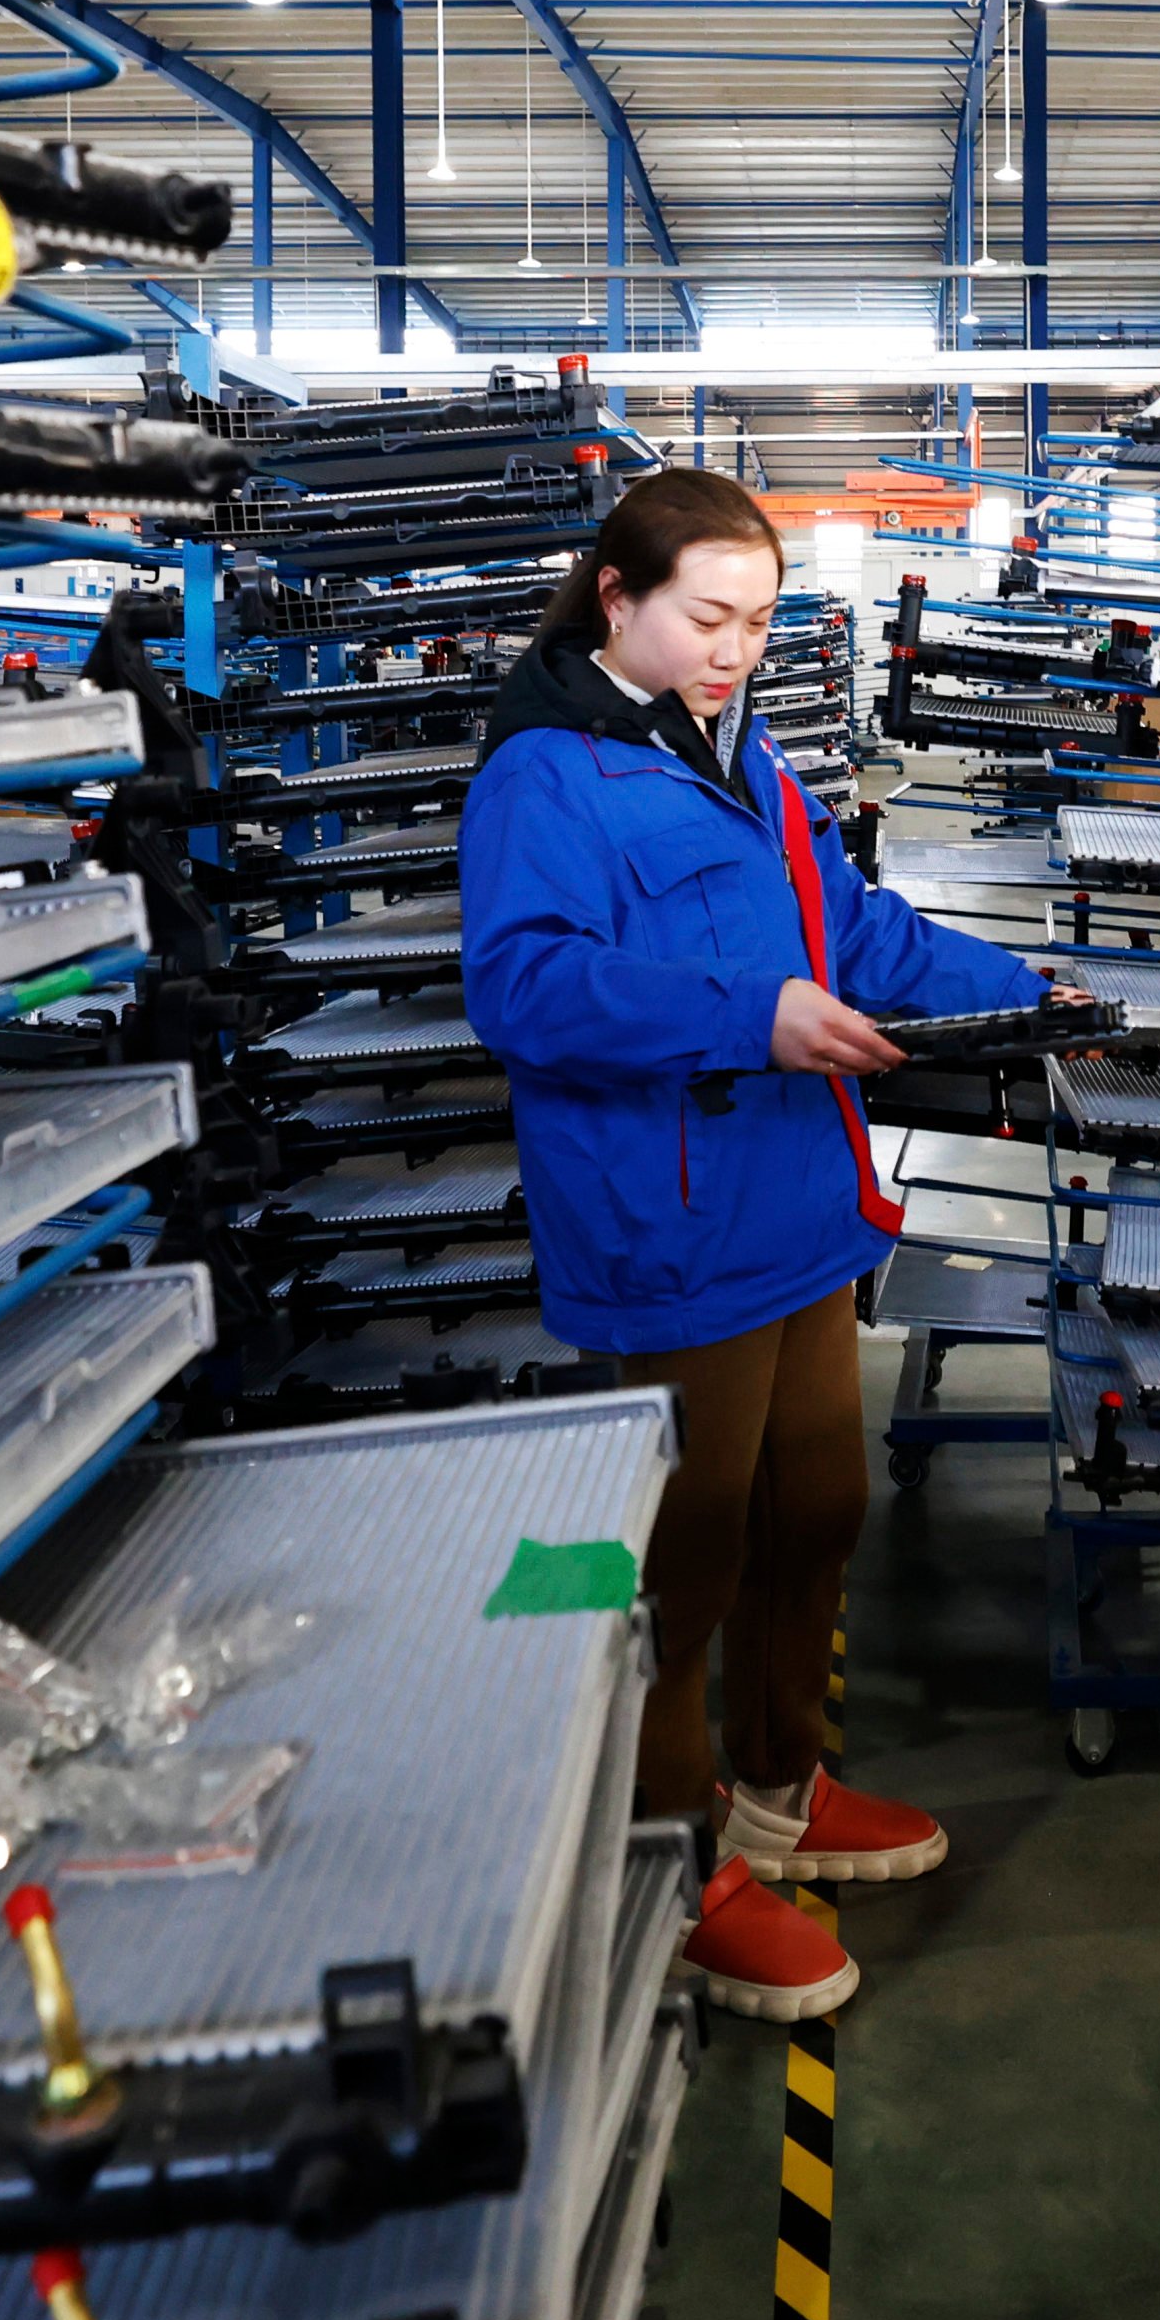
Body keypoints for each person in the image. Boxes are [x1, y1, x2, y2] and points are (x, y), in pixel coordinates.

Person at [461, 470, 1062, 2022]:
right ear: (619, 600)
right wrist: (750, 1016)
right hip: (666, 1224)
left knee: (821, 1510)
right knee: (688, 1559)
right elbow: (522, 989)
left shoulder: (751, 760)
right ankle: (674, 1874)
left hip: (792, 1205)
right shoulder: (549, 774)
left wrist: (1027, 990)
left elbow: (855, 934)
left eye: (760, 620)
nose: (738, 649)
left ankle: (776, 1802)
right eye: (707, 618)